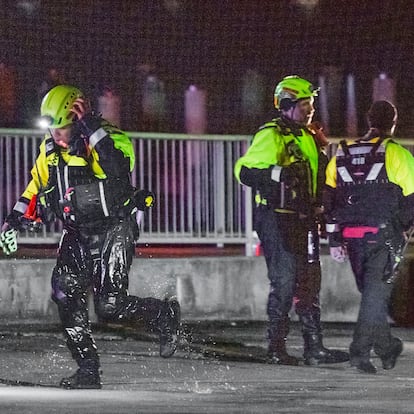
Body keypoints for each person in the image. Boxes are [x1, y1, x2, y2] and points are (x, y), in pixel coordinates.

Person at [0, 85, 180, 389]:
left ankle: (163, 313)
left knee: (110, 305)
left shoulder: (108, 137)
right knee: (65, 293)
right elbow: (36, 187)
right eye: (52, 130)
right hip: (77, 231)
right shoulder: (50, 150)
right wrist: (13, 221)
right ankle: (88, 369)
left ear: (78, 116)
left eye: (63, 129)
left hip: (114, 227)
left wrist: (91, 130)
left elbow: (118, 171)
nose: (57, 137)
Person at [234, 75, 348, 366]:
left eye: (311, 102)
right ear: (287, 104)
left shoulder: (309, 136)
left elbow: (318, 179)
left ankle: (314, 348)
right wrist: (278, 174)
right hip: (276, 218)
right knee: (284, 280)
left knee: (310, 280)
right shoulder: (272, 134)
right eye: (304, 103)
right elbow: (245, 172)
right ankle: (276, 348)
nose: (310, 108)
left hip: (304, 218)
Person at [324, 100, 414, 373]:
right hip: (384, 236)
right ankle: (359, 352)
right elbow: (412, 199)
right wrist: (404, 227)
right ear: (394, 122)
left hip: (352, 238)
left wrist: (335, 240)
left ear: (368, 119)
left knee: (371, 295)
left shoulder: (341, 153)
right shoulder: (396, 154)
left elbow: (329, 198)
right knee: (374, 296)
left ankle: (387, 347)